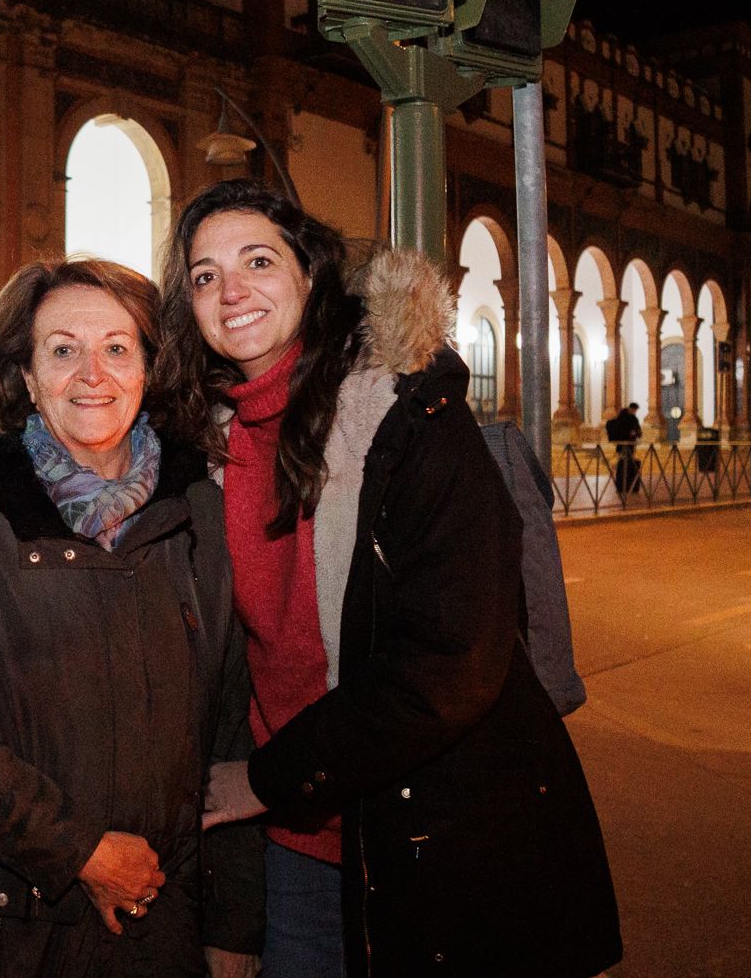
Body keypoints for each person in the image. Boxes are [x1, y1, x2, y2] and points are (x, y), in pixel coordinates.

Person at [155, 181, 621, 978]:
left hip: (431, 832)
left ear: (310, 274)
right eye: (203, 275)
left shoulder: (408, 421)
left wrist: (267, 777)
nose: (230, 290)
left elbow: (450, 664)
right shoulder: (204, 441)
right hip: (297, 845)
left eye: (257, 260)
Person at [0, 258, 262, 977]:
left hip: (159, 927)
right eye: (63, 349)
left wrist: (236, 927)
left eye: (117, 347)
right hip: (3, 930)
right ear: (25, 377)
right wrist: (79, 848)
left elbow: (229, 730)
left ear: (149, 368)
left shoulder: (197, 509)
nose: (93, 372)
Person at [607, 401, 642, 493]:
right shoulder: (622, 417)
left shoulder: (633, 418)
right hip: (623, 443)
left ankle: (627, 483)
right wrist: (630, 433)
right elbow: (620, 429)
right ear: (631, 408)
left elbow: (638, 430)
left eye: (636, 410)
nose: (635, 412)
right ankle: (621, 480)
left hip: (630, 444)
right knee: (623, 460)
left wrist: (636, 433)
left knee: (629, 461)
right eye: (634, 410)